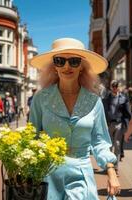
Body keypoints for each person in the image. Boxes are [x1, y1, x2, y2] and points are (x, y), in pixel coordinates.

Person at [29, 38, 120, 199]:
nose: (66, 66)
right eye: (60, 61)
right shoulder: (41, 98)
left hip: (82, 175)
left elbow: (99, 141)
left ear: (82, 67)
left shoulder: (94, 101)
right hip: (48, 176)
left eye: (74, 61)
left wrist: (111, 171)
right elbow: (32, 137)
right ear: (54, 67)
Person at [104, 80, 131, 172]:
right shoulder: (107, 98)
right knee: (108, 145)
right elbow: (103, 111)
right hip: (109, 124)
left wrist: (129, 126)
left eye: (116, 86)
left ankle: (115, 167)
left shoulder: (123, 98)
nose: (115, 88)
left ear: (119, 87)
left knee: (117, 145)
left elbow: (127, 113)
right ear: (111, 87)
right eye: (113, 86)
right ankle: (108, 165)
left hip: (119, 123)